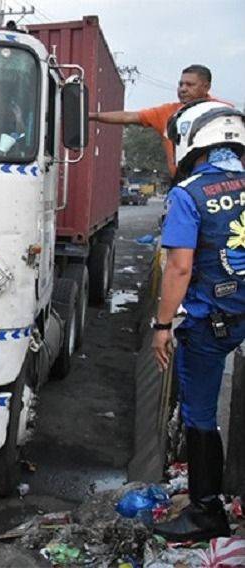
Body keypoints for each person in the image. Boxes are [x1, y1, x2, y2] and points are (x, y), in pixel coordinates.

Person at [151, 100, 245, 541]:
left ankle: (206, 511)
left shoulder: (189, 193)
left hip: (210, 324)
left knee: (200, 414)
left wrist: (162, 325)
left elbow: (179, 268)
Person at [90, 65, 222, 176]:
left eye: (190, 85)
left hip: (217, 183)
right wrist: (93, 116)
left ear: (206, 87)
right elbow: (128, 116)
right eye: (181, 84)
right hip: (182, 185)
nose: (183, 89)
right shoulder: (168, 113)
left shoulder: (223, 111)